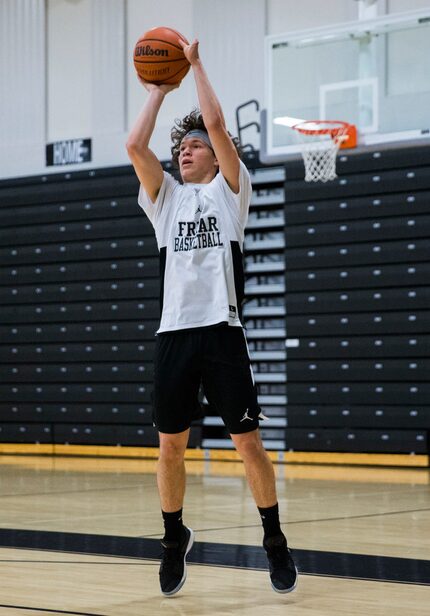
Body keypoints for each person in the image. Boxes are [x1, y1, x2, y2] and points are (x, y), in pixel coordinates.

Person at [126, 37, 297, 597]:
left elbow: (220, 125)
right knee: (169, 446)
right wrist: (156, 90)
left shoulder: (230, 194)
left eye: (193, 146)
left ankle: (274, 539)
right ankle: (174, 537)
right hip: (174, 334)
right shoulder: (167, 201)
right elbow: (134, 144)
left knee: (248, 443)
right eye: (181, 149)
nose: (184, 153)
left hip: (222, 334)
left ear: (212, 154)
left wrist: (194, 64)